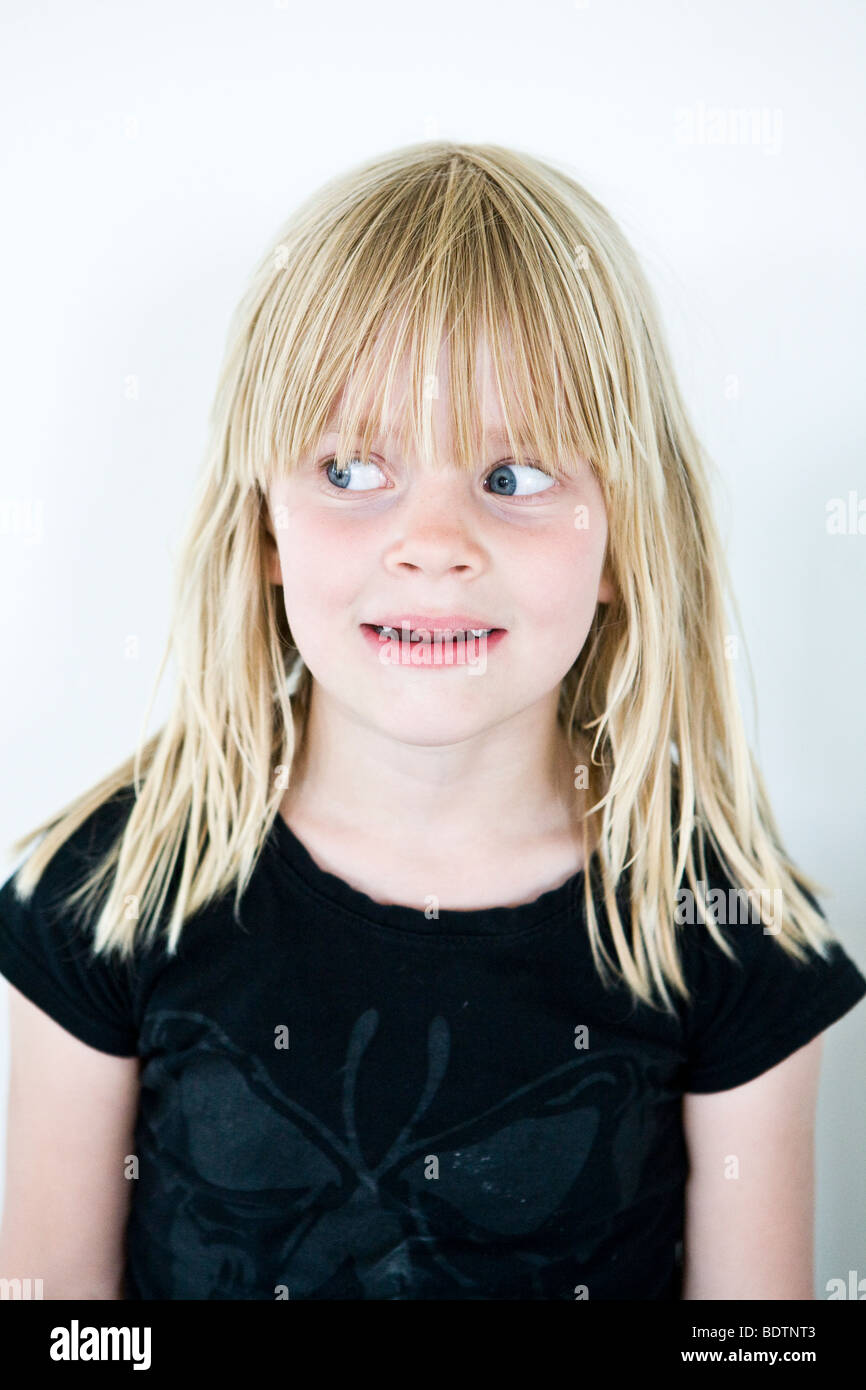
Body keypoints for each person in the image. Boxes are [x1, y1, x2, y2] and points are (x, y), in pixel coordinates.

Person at [0, 141, 863, 1302]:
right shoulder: (105, 892)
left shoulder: (726, 936)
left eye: (512, 477)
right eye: (353, 468)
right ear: (265, 527)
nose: (435, 540)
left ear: (624, 539)